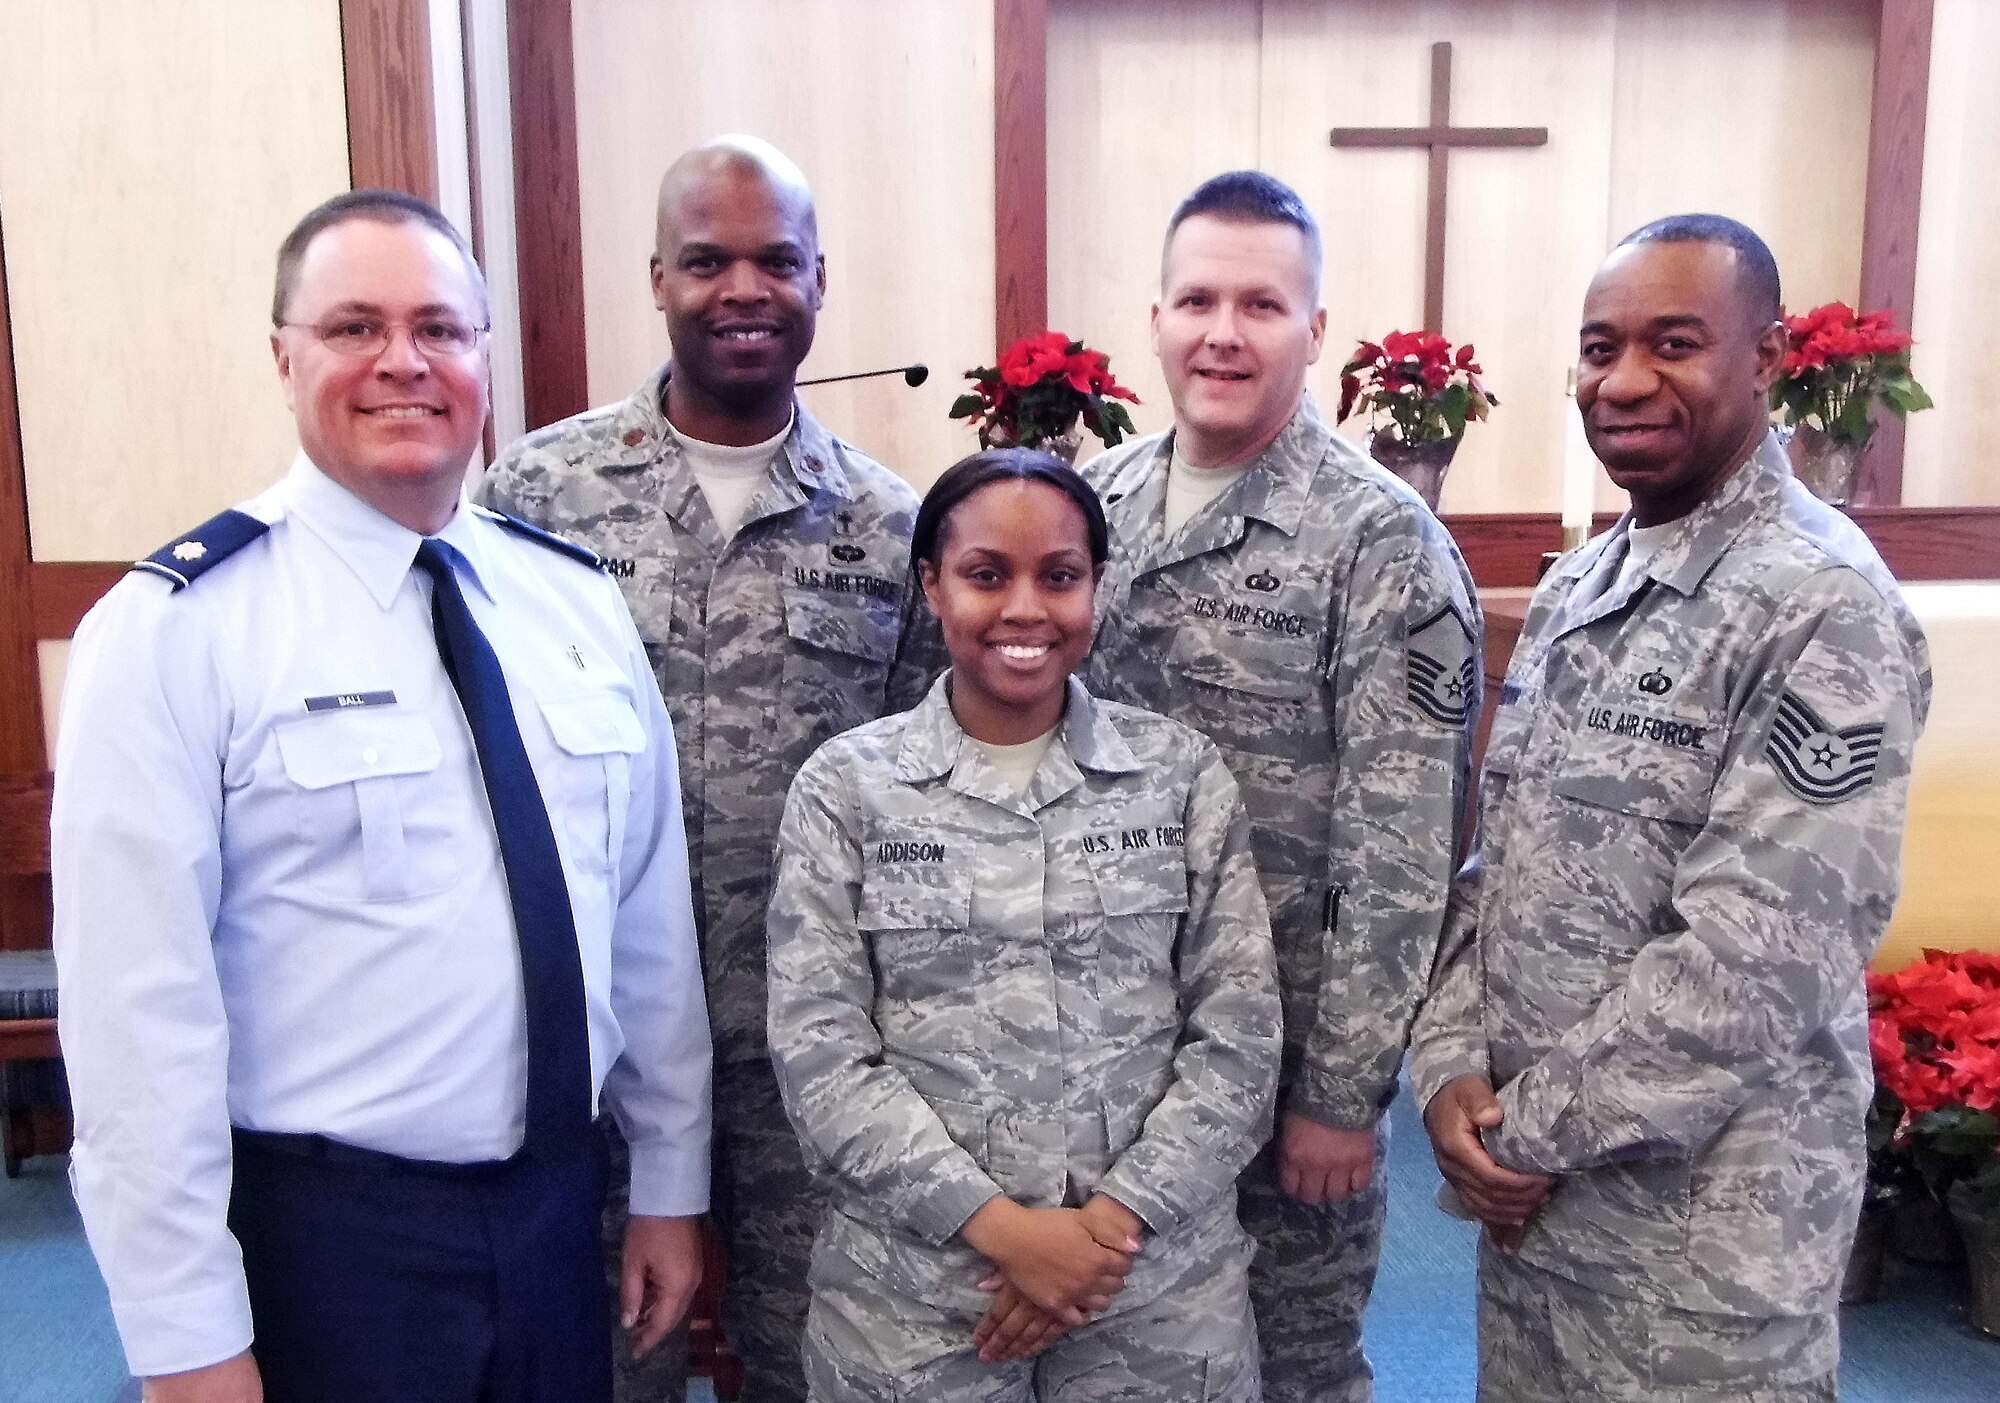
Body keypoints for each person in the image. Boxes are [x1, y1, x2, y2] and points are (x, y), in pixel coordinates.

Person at [51, 190, 711, 1403]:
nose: (403, 362)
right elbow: (136, 1023)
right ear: (282, 355)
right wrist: (184, 1337)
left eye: (441, 329)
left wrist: (670, 1177)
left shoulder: (571, 603)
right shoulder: (177, 632)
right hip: (329, 1239)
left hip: (559, 1212)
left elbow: (645, 924)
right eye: (355, 326)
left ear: (484, 359)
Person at [1410, 214, 1931, 1402]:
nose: (1623, 380)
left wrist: (1518, 1132)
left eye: (1674, 342)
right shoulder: (1580, 586)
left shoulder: (1817, 603)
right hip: (1539, 1234)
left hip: (1699, 1254)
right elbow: (1492, 876)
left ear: (1767, 355)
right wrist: (1445, 1074)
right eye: (1599, 347)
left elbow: (1759, 956)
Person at [477, 136, 929, 1400]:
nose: (743, 287)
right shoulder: (536, 497)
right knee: (610, 1360)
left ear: (819, 280)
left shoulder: (890, 525)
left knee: (819, 1362)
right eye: (707, 260)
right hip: (598, 1042)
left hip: (816, 1045)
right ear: (657, 278)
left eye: (774, 260)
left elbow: (915, 797)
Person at [1079, 171, 1480, 1401]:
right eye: (1195, 297)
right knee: (1121, 1354)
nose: (1221, 331)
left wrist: (1340, 1095)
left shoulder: (1381, 542)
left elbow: (1404, 850)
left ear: (1315, 332)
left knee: (1295, 1363)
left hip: (1283, 1063)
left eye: (1261, 303)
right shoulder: (1091, 510)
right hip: (1100, 1044)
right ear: (1152, 318)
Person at [766, 450, 1282, 1400]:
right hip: (920, 1296)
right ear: (931, 584)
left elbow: (1240, 1037)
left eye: (1060, 576)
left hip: (1151, 1288)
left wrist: (1101, 1236)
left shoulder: (1180, 775)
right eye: (985, 574)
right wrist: (1011, 1236)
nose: (1025, 610)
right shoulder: (847, 788)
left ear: (1097, 583)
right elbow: (821, 1055)